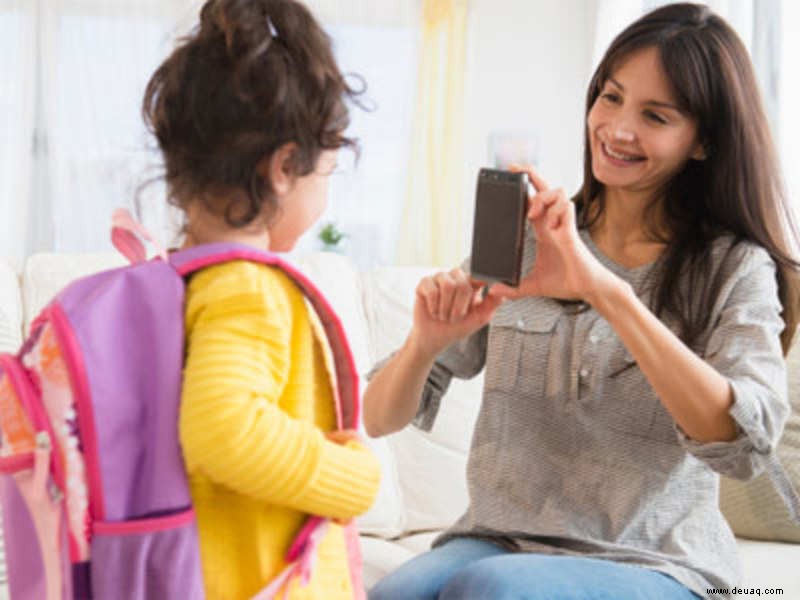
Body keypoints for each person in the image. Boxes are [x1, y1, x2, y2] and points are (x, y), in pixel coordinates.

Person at [365, 3, 800, 599]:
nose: (618, 128)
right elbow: (377, 417)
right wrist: (424, 345)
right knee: (390, 594)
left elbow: (743, 442)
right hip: (499, 538)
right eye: (611, 97)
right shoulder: (528, 238)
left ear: (703, 142)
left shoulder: (733, 266)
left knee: (491, 590)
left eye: (655, 115)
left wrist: (603, 289)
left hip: (653, 562)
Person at [141, 1, 381, 598]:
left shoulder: (178, 280)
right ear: (283, 169)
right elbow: (223, 430)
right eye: (324, 174)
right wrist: (353, 478)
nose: (324, 191)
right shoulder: (245, 286)